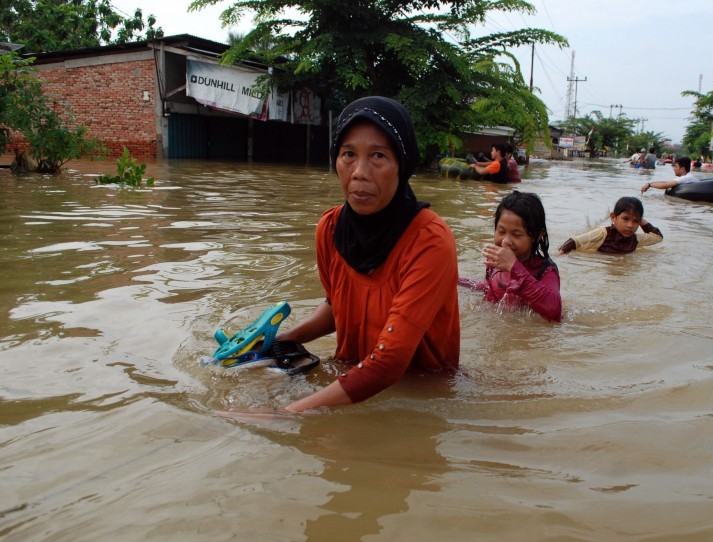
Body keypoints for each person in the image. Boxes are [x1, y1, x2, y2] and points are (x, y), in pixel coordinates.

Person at [272, 96, 460, 413]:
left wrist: (286, 413)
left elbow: (388, 363)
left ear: (403, 164)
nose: (359, 172)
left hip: (420, 402)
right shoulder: (329, 229)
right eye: (348, 154)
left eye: (378, 156)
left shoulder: (430, 241)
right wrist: (282, 339)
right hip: (347, 382)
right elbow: (338, 305)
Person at [458, 191, 562, 322]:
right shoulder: (494, 260)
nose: (505, 241)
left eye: (517, 234)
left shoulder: (545, 271)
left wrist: (514, 268)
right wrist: (458, 280)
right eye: (501, 231)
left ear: (537, 235)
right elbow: (489, 288)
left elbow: (554, 310)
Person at [557, 196, 662, 255]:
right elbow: (575, 241)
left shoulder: (635, 240)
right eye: (625, 219)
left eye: (635, 221)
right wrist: (560, 254)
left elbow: (658, 237)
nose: (630, 225)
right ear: (613, 217)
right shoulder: (603, 234)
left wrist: (640, 219)